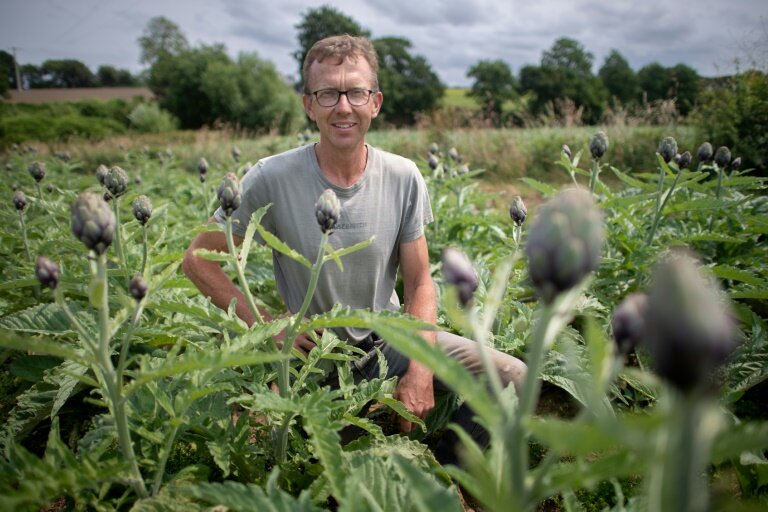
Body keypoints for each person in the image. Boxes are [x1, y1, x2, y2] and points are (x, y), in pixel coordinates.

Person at [182, 34, 526, 465]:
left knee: (513, 378)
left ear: (375, 102)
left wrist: (420, 367)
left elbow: (419, 280)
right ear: (309, 105)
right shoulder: (271, 176)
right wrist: (265, 323)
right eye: (328, 93)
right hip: (311, 355)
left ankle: (446, 481)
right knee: (254, 448)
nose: (343, 106)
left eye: (356, 92)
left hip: (390, 341)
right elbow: (197, 260)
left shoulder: (404, 176)